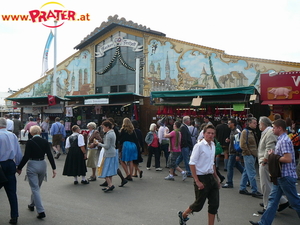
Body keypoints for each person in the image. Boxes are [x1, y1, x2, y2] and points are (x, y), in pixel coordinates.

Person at [250, 119, 300, 225]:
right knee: (272, 201)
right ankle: (263, 223)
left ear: (279, 128)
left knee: (295, 202)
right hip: (281, 175)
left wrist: (273, 156)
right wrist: (273, 154)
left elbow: (288, 159)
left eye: (274, 127)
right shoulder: (281, 140)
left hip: (286, 176)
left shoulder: (284, 141)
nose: (272, 129)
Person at [178, 124, 220, 225]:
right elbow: (192, 163)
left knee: (214, 204)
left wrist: (216, 177)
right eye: (208, 133)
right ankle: (183, 215)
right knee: (198, 205)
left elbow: (212, 163)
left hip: (211, 177)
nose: (210, 135)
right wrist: (197, 180)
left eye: (212, 133)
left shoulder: (213, 145)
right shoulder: (199, 146)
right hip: (201, 177)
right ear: (204, 134)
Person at [16, 125, 56, 220]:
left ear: (31, 133)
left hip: (32, 164)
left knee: (35, 188)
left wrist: (19, 167)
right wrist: (54, 168)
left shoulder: (30, 142)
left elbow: (26, 156)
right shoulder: (45, 141)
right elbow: (50, 155)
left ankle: (41, 210)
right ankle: (32, 204)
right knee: (37, 187)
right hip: (42, 164)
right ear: (40, 132)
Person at [256, 117, 289, 215]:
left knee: (265, 185)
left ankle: (268, 206)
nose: (258, 125)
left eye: (259, 123)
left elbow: (270, 147)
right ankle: (283, 201)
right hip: (265, 161)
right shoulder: (267, 132)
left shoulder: (269, 132)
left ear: (262, 124)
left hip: (266, 162)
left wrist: (265, 160)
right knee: (269, 185)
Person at [0, 117, 23, 224]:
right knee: (11, 192)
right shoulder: (12, 135)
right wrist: (19, 166)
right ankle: (14, 216)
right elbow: (18, 152)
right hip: (10, 163)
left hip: (1, 164)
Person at [239, 117, 263, 198]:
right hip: (249, 154)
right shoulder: (245, 132)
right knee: (252, 173)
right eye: (254, 123)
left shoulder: (252, 132)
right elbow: (242, 144)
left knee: (247, 171)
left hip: (252, 154)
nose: (256, 124)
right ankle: (254, 190)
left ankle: (242, 188)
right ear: (249, 123)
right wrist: (249, 153)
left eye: (256, 123)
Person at [94, 120, 118, 192]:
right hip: (113, 152)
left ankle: (110, 185)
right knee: (110, 170)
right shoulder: (113, 133)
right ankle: (109, 184)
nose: (103, 129)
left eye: (104, 127)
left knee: (105, 169)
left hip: (108, 153)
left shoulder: (108, 134)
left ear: (107, 127)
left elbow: (106, 146)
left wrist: (98, 143)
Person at [222, 118, 244, 188]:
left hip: (234, 152)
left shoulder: (236, 132)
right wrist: (229, 140)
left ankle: (229, 182)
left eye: (229, 123)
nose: (228, 125)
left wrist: (238, 154)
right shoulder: (232, 131)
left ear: (233, 124)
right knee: (239, 166)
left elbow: (238, 143)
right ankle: (247, 179)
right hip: (233, 151)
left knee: (230, 167)